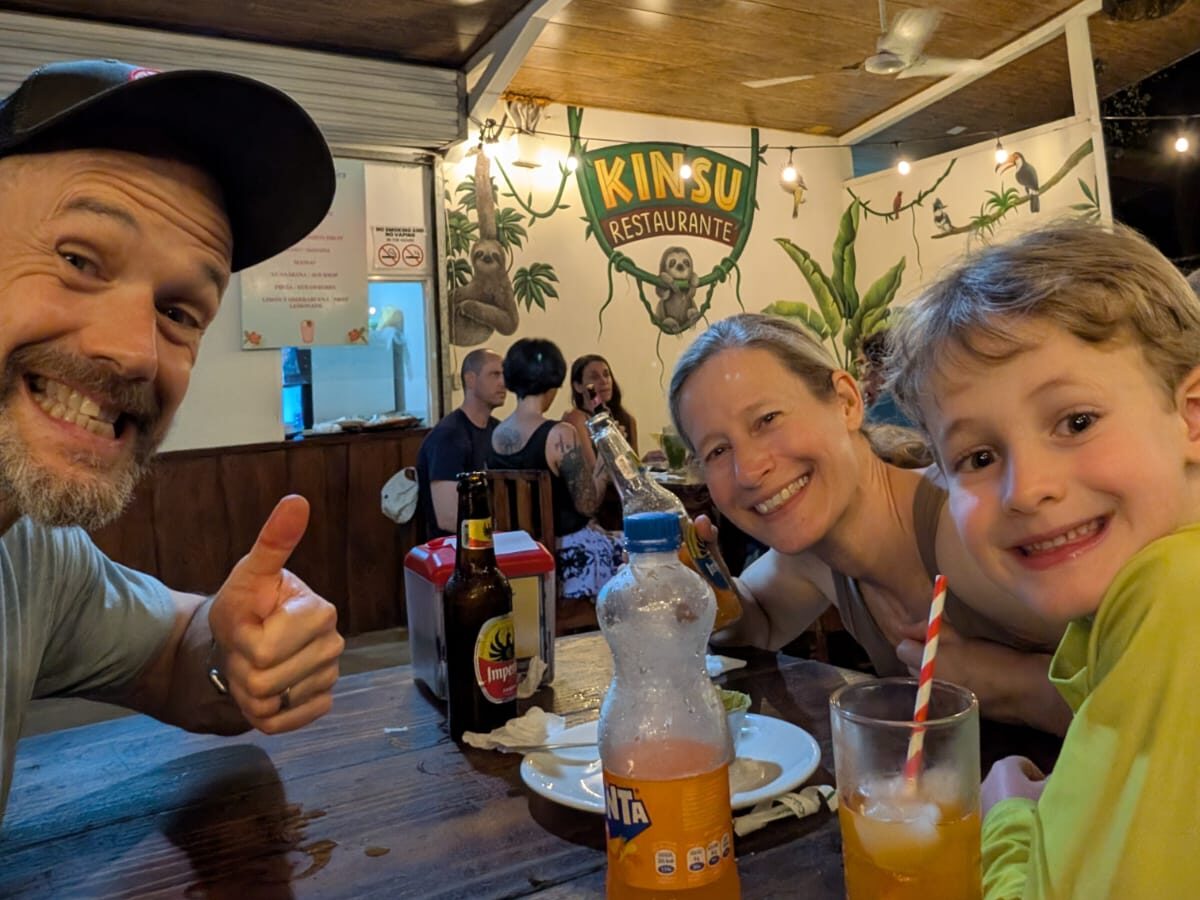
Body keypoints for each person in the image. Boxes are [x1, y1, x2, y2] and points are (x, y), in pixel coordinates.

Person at [0, 58, 344, 821]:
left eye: (182, 312)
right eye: (79, 260)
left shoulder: (30, 554)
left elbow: (175, 659)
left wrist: (239, 654)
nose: (136, 353)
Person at [889, 220, 1200, 896]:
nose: (1027, 488)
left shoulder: (1176, 595)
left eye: (1076, 421)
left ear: (1193, 415)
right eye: (978, 457)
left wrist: (1003, 811)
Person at [667, 313, 1070, 735]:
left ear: (846, 402)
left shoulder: (962, 526)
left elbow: (1141, 686)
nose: (748, 470)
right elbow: (758, 623)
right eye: (716, 450)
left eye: (767, 419)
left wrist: (1005, 683)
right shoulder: (814, 559)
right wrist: (707, 587)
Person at [489, 339, 622, 600]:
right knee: (638, 551)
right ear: (554, 381)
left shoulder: (495, 435)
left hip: (515, 554)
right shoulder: (560, 434)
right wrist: (606, 462)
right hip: (566, 552)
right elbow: (588, 504)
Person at [415, 348, 506, 540]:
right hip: (453, 550)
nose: (503, 383)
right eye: (494, 374)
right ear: (470, 379)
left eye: (504, 374)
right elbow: (448, 518)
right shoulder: (448, 437)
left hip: (491, 539)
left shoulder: (498, 431)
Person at [856, 329, 914, 428]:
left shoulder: (882, 412)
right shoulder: (918, 403)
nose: (863, 376)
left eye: (866, 366)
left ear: (884, 368)